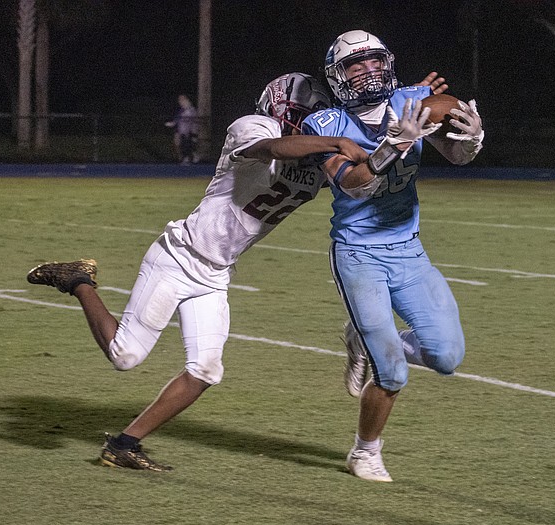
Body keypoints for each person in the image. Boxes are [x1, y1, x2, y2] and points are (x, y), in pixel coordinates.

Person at [26, 73, 369, 471]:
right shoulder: (253, 127)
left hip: (216, 272)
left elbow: (358, 178)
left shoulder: (316, 160)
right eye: (307, 115)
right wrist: (336, 142)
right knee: (125, 356)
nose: (315, 122)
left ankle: (123, 445)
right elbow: (273, 148)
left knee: (206, 369)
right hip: (179, 256)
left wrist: (397, 141)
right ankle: (77, 279)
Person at [302, 30, 485, 482]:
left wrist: (472, 138)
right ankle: (365, 451)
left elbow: (455, 155)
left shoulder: (414, 99)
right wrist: (394, 144)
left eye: (374, 61)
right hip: (359, 252)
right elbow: (354, 184)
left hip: (408, 250)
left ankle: (364, 336)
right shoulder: (324, 124)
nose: (368, 71)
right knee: (393, 371)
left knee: (446, 356)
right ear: (338, 77)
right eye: (354, 65)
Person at [165, 94, 200, 164]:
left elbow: (191, 121)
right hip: (182, 131)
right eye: (180, 100)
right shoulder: (182, 111)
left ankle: (190, 157)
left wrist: (192, 131)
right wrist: (172, 124)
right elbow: (178, 119)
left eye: (183, 100)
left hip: (189, 131)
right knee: (182, 144)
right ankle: (184, 158)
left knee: (188, 144)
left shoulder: (191, 110)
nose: (181, 102)